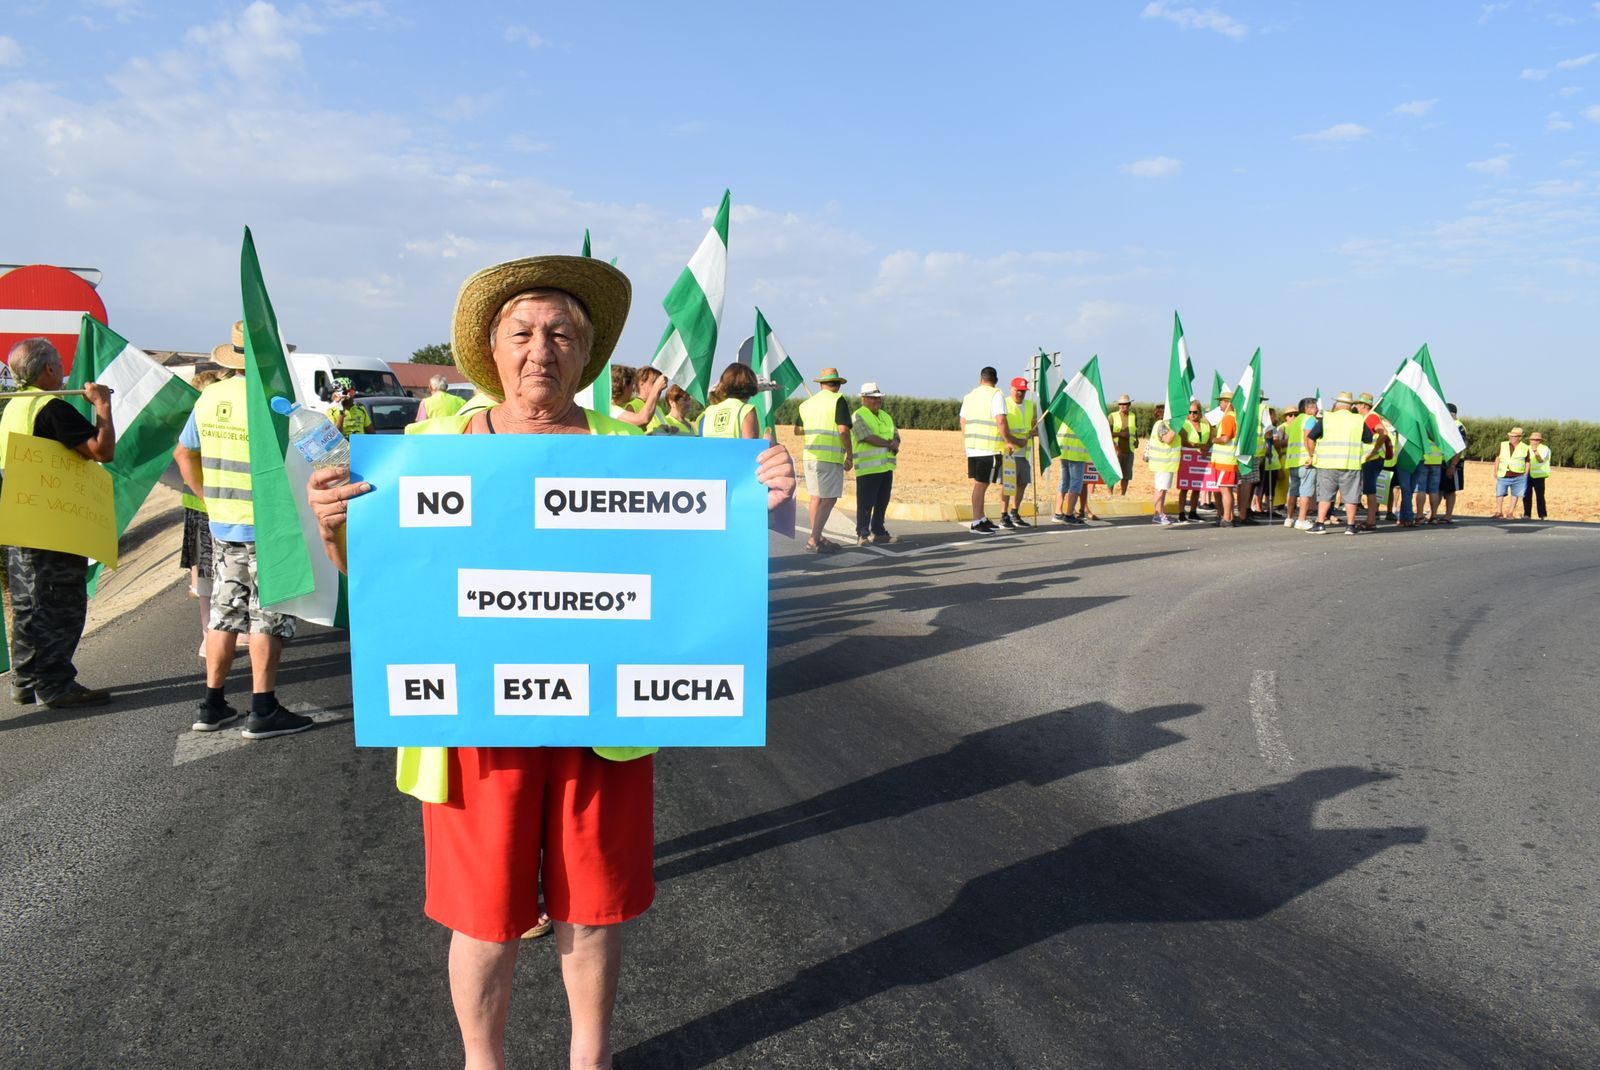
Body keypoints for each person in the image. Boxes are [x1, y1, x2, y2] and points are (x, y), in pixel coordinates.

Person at [306, 254, 796, 1070]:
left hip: (604, 722)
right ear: (491, 351)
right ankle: (482, 1062)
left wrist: (762, 499)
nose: (542, 349)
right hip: (470, 724)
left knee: (593, 910)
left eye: (562, 332)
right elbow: (387, 584)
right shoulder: (426, 448)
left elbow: (698, 569)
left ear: (587, 351)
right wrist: (332, 525)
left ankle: (590, 1060)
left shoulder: (638, 450)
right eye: (523, 331)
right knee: (481, 915)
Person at [172, 321, 311, 738]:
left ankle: (212, 706)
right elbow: (314, 456)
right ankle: (263, 709)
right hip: (268, 527)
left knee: (224, 613)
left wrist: (208, 496)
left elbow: (184, 452)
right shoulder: (273, 401)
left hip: (224, 523)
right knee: (267, 617)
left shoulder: (209, 397)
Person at [0, 338, 115, 708]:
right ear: (48, 370)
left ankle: (25, 681)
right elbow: (102, 451)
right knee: (59, 606)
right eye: (60, 363)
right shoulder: (50, 408)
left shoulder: (15, 408)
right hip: (50, 527)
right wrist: (103, 406)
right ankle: (56, 686)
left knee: (27, 605)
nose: (64, 368)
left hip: (20, 523)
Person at [799, 368, 853, 552]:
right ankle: (814, 539)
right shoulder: (838, 400)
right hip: (829, 458)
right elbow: (844, 431)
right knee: (829, 499)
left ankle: (818, 536)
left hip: (810, 456)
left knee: (816, 497)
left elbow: (797, 430)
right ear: (837, 385)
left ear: (821, 384)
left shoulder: (806, 404)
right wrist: (850, 454)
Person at [1306, 391, 1370, 535]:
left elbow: (1311, 438)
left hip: (1327, 464)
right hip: (1350, 464)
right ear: (1350, 406)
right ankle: (1350, 526)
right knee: (1351, 497)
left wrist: (1313, 454)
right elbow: (1368, 439)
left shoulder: (1327, 418)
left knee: (1325, 496)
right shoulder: (1358, 420)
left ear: (1336, 404)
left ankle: (1320, 524)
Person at [852, 381, 900, 545]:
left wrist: (896, 442)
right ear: (863, 398)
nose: (877, 401)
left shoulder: (886, 416)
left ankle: (879, 531)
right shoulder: (858, 415)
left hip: (886, 467)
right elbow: (865, 436)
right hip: (868, 468)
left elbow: (896, 434)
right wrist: (889, 443)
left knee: (882, 501)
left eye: (878, 398)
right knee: (866, 503)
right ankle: (862, 533)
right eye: (873, 398)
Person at [960, 367, 1007, 533]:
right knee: (981, 484)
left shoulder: (969, 396)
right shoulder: (996, 395)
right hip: (988, 448)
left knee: (982, 483)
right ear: (995, 380)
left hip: (973, 446)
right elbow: (1000, 420)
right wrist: (1008, 440)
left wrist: (969, 439)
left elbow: (963, 420)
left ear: (981, 379)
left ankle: (981, 517)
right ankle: (976, 521)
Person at [999, 376, 1035, 527]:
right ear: (1011, 389)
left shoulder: (1029, 405)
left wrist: (1034, 431)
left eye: (1023, 391)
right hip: (1009, 452)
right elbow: (1001, 426)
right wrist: (1012, 442)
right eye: (1017, 390)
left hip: (1024, 452)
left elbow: (1031, 424)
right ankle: (1003, 515)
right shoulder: (1004, 404)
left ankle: (1015, 512)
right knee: (1007, 485)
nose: (1020, 393)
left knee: (1022, 483)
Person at [1354, 392, 1392, 530]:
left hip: (1372, 459)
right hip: (1372, 459)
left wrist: (1374, 451)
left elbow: (1383, 433)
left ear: (1364, 405)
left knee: (1370, 490)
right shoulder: (1368, 417)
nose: (1356, 407)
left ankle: (1371, 521)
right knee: (1370, 490)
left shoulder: (1371, 417)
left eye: (1358, 404)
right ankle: (1370, 519)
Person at [699, 364, 760, 440]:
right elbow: (751, 447)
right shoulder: (746, 410)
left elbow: (701, 442)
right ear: (751, 384)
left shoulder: (708, 411)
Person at [1286, 397, 1319, 530]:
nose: (1317, 409)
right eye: (1315, 407)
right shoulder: (1309, 419)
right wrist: (1312, 455)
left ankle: (1289, 518)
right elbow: (1308, 438)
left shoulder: (1294, 421)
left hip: (1292, 461)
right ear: (1308, 408)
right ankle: (1301, 519)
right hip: (1305, 461)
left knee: (1293, 491)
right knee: (1305, 491)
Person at [1145, 402, 1180, 526]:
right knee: (1160, 489)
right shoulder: (1161, 424)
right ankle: (1157, 514)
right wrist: (1176, 426)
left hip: (1166, 463)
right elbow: (1168, 439)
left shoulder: (1165, 424)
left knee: (1163, 489)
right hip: (1162, 463)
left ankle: (1161, 513)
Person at [1209, 389, 1239, 526]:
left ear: (1227, 402)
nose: (1219, 404)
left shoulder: (1228, 418)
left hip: (1225, 461)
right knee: (1226, 489)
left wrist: (1214, 439)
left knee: (1225, 490)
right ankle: (1229, 516)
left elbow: (1225, 438)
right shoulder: (1234, 417)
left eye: (1220, 401)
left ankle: (1226, 518)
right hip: (1227, 461)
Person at [1178, 401, 1211, 523]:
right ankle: (1181, 513)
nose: (1192, 414)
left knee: (1197, 487)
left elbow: (1210, 439)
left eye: (1194, 412)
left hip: (1201, 459)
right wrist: (1199, 446)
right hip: (1188, 458)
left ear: (1199, 412)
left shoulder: (1205, 424)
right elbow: (1184, 441)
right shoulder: (1184, 424)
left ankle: (1193, 512)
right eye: (1190, 412)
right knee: (1184, 487)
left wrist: (1206, 446)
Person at [1495, 426, 1531, 519]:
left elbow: (1527, 461)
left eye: (1514, 436)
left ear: (1519, 437)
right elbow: (1497, 458)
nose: (1511, 438)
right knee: (1499, 493)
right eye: (1510, 436)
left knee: (1515, 494)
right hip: (1503, 474)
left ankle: (1510, 513)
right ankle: (1499, 512)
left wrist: (1526, 473)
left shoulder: (1525, 447)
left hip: (1518, 475)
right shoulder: (1503, 444)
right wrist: (1495, 471)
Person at [1107, 393, 1137, 497]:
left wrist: (1136, 440)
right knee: (1113, 474)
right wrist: (1120, 434)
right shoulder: (1112, 416)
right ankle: (1110, 494)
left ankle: (1123, 495)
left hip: (1130, 451)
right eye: (1120, 404)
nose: (1122, 406)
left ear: (1129, 405)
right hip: (1116, 451)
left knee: (1126, 476)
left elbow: (1134, 431)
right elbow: (1105, 433)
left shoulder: (1133, 416)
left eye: (1125, 404)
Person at [1440, 403, 1465, 523]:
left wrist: (1453, 465)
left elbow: (1459, 448)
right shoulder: (1449, 425)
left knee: (1450, 490)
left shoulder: (1458, 427)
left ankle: (1448, 515)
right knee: (1441, 488)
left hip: (1454, 462)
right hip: (1444, 461)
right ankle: (1434, 514)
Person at [1524, 431, 1551, 519]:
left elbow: (1540, 460)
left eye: (1535, 440)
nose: (1533, 441)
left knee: (1540, 496)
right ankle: (1527, 514)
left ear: (1539, 441)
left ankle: (1542, 515)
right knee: (1526, 495)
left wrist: (1535, 451)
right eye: (1531, 439)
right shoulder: (1526, 448)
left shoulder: (1545, 449)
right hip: (1527, 474)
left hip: (1539, 475)